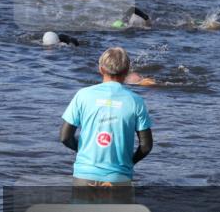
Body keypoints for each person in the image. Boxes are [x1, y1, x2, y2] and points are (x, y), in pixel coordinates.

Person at [59, 47, 153, 186]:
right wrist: (129, 162)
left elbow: (65, 137)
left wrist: (82, 148)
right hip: (119, 177)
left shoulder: (83, 95)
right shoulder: (136, 101)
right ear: (127, 71)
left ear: (101, 69)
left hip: (84, 175)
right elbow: (146, 146)